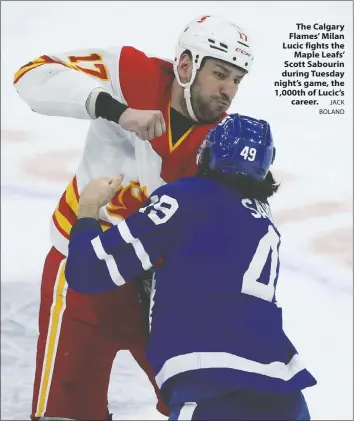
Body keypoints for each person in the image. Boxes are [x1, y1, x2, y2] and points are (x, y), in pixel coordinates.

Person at [14, 14, 255, 421]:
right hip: (81, 275)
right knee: (64, 413)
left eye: (237, 79)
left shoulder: (224, 142)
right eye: (220, 74)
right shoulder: (131, 73)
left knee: (215, 411)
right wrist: (117, 110)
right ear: (185, 66)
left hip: (161, 294)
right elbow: (31, 75)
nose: (228, 91)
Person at [65, 114, 317, 421]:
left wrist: (88, 207)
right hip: (287, 396)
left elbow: (88, 270)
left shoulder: (186, 198)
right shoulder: (263, 218)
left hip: (213, 388)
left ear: (209, 154)